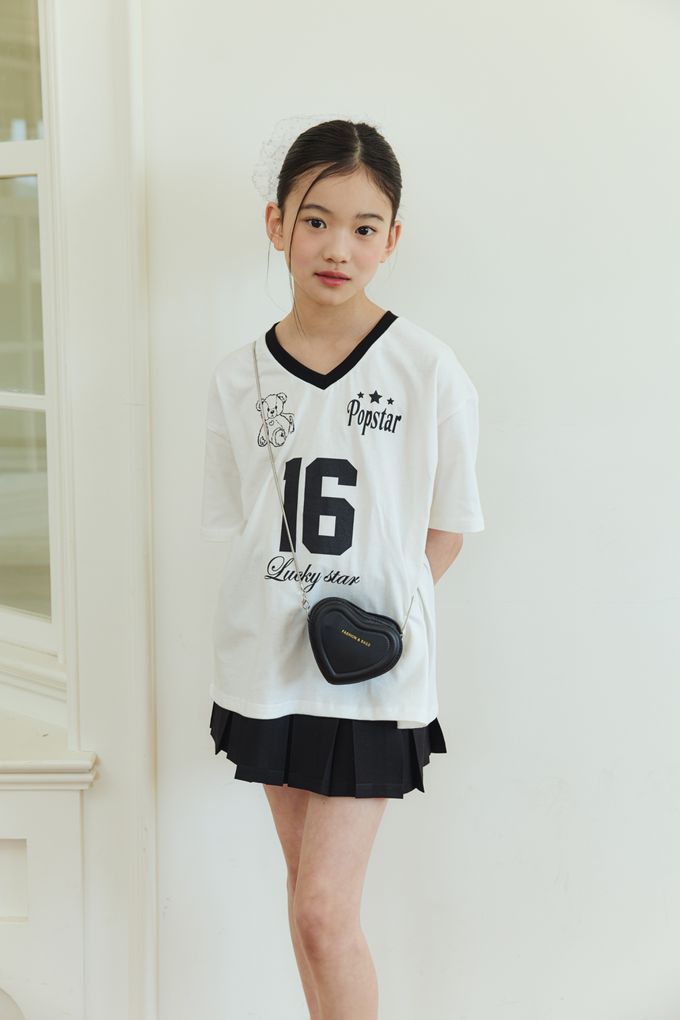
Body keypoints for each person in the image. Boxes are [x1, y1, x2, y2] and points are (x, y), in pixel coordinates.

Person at [201, 117, 485, 1020]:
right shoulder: (238, 376)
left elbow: (449, 528)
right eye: (317, 220)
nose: (338, 247)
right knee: (307, 906)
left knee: (325, 913)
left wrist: (377, 624)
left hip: (369, 672)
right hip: (267, 663)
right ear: (277, 223)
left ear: (392, 240)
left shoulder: (427, 369)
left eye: (365, 227)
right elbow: (240, 526)